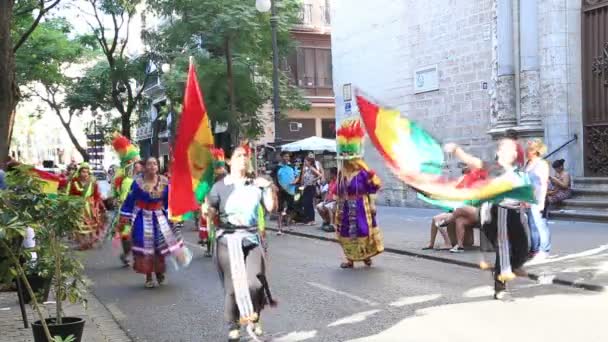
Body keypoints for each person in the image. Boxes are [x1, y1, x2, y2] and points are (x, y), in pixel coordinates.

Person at [207, 144, 278, 341]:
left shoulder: (256, 184)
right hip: (227, 240)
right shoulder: (220, 186)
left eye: (246, 156)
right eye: (239, 156)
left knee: (255, 283)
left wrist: (269, 187)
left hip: (251, 237)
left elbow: (270, 207)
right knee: (232, 286)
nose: (243, 159)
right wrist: (208, 210)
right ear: (230, 161)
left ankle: (255, 317)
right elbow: (211, 209)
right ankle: (234, 323)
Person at [119, 157, 192, 288]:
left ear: (158, 167)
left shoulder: (165, 182)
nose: (152, 166)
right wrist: (125, 217)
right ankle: (148, 276)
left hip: (160, 217)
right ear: (145, 167)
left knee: (160, 245)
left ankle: (159, 273)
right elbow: (130, 200)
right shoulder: (137, 183)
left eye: (155, 164)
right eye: (149, 164)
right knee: (146, 245)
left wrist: (175, 211)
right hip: (143, 217)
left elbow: (170, 200)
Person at [335, 119, 384, 269]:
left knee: (363, 230)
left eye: (349, 160)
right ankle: (350, 259)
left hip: (361, 205)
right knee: (346, 232)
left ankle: (366, 256)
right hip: (345, 207)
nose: (347, 163)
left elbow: (373, 188)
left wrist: (373, 204)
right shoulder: (341, 173)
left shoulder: (363, 173)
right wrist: (336, 206)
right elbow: (338, 191)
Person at [111, 134, 142, 267]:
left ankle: (137, 255)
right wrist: (116, 200)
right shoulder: (121, 176)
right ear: (130, 162)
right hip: (125, 211)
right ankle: (126, 253)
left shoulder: (143, 176)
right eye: (136, 162)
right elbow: (114, 194)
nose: (139, 164)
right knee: (126, 235)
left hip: (140, 210)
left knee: (139, 235)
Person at [67, 162, 106, 250]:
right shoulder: (74, 181)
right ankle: (82, 243)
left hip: (90, 207)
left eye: (87, 172)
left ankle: (89, 242)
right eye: (83, 171)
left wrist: (99, 206)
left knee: (91, 226)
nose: (85, 174)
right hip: (78, 206)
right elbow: (69, 194)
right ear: (79, 172)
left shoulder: (93, 182)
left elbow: (96, 195)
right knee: (79, 226)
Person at [524, 139, 550, 260]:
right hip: (528, 199)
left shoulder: (541, 164)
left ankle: (544, 250)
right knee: (532, 226)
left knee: (541, 225)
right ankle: (534, 249)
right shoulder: (528, 163)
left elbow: (543, 184)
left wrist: (541, 203)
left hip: (538, 199)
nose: (526, 151)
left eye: (529, 149)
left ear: (535, 151)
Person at [199, 147, 227, 257]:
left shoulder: (223, 174)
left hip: (221, 203)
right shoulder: (209, 175)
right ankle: (209, 247)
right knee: (210, 227)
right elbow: (204, 190)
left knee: (219, 227)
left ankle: (215, 247)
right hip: (211, 203)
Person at [295, 157, 323, 225]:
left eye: (306, 161)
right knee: (305, 203)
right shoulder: (306, 169)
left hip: (311, 187)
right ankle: (307, 219)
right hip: (306, 187)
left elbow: (319, 175)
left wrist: (314, 180)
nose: (305, 163)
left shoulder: (312, 168)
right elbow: (303, 179)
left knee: (309, 203)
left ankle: (312, 219)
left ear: (310, 162)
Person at [274, 151, 297, 232]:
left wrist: (295, 181)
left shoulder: (292, 166)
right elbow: (273, 179)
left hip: (291, 190)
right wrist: (275, 186)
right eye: (285, 156)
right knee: (280, 209)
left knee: (291, 208)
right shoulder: (277, 167)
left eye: (288, 156)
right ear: (281, 157)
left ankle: (289, 224)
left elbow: (297, 176)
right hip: (280, 191)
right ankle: (279, 227)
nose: (287, 158)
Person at [316, 167, 338, 232]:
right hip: (328, 200)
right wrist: (325, 200)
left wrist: (328, 202)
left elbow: (336, 196)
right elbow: (328, 192)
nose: (329, 175)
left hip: (334, 201)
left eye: (330, 173)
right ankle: (326, 221)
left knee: (328, 206)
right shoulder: (331, 182)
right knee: (318, 206)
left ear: (333, 174)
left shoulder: (338, 182)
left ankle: (332, 224)